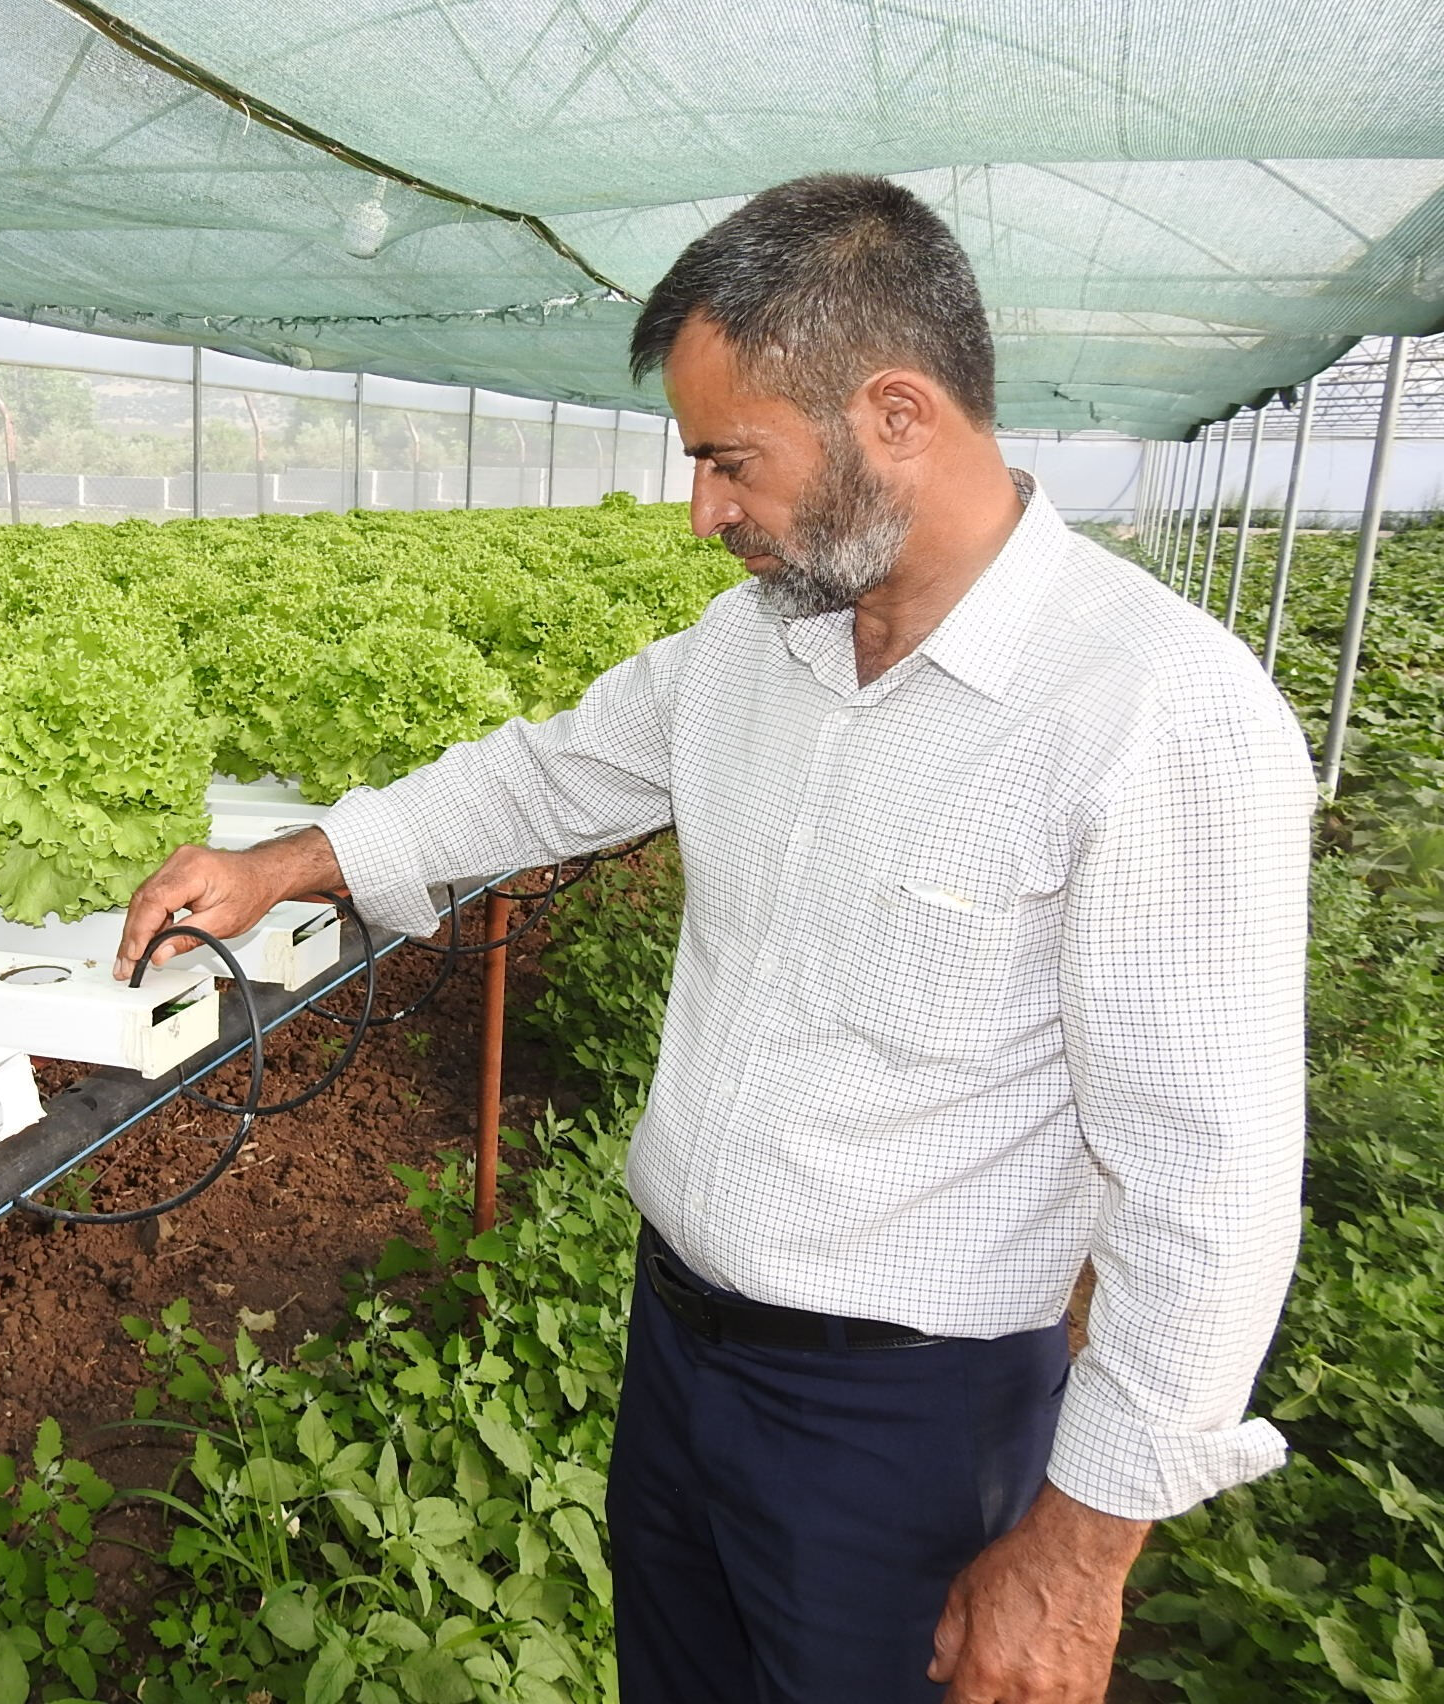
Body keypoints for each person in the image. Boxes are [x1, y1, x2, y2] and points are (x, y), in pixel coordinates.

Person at [112, 173, 1313, 1703]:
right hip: (681, 1357)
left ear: (895, 415)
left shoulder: (1154, 711)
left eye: (730, 461)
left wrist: (1079, 1556)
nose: (704, 511)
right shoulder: (762, 646)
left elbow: (1210, 1184)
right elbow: (548, 771)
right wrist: (295, 858)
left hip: (909, 1430)